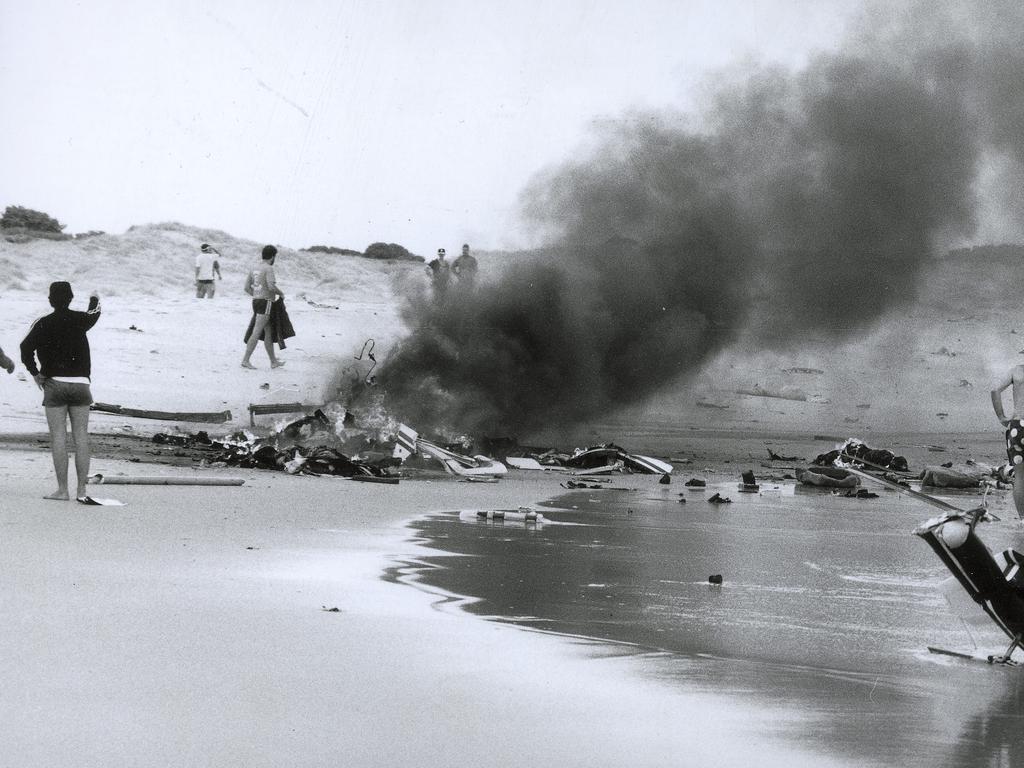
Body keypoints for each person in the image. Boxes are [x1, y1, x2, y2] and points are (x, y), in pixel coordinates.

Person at [20, 281, 101, 501]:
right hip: (81, 384)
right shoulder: (81, 320)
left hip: (54, 384)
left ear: (50, 300)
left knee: (58, 437)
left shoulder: (43, 322)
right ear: (71, 298)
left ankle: (63, 490)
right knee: (81, 436)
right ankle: (82, 491)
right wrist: (94, 297)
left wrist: (35, 372)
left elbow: (24, 348)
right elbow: (95, 312)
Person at [241, 244, 285, 369]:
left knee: (268, 332)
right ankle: (245, 360)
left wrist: (256, 295)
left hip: (256, 301)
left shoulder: (254, 267)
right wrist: (281, 293)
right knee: (257, 331)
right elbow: (271, 286)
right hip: (266, 302)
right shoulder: (268, 268)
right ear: (272, 256)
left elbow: (246, 288)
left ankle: (273, 362)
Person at [991, 363, 1024, 518]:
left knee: (1020, 477)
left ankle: (1023, 520)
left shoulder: (1016, 371)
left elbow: (995, 390)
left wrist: (1002, 417)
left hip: (1018, 426)